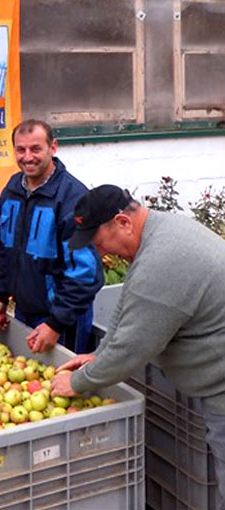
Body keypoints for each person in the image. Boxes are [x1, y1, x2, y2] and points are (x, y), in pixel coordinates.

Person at [51, 184, 225, 507]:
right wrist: (97, 355)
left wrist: (76, 383)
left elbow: (132, 350)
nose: (101, 255)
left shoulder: (163, 260)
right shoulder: (158, 231)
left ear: (122, 222)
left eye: (99, 243)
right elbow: (130, 302)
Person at [0, 119, 103, 353]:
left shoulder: (74, 198)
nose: (27, 157)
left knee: (62, 383)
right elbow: (6, 248)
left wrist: (55, 324)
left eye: (36, 149)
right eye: (20, 149)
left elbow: (85, 274)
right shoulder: (12, 189)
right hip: (24, 311)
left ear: (53, 148)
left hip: (62, 320)